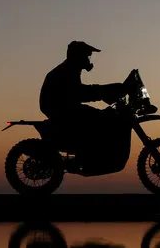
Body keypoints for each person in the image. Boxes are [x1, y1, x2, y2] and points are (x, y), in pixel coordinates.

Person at [38, 41, 133, 174]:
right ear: (78, 56)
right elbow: (80, 93)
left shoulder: (70, 69)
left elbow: (79, 93)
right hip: (60, 109)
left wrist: (105, 92)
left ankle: (90, 156)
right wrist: (103, 92)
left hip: (63, 107)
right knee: (100, 119)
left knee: (100, 116)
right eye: (86, 56)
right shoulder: (68, 70)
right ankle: (88, 158)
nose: (88, 60)